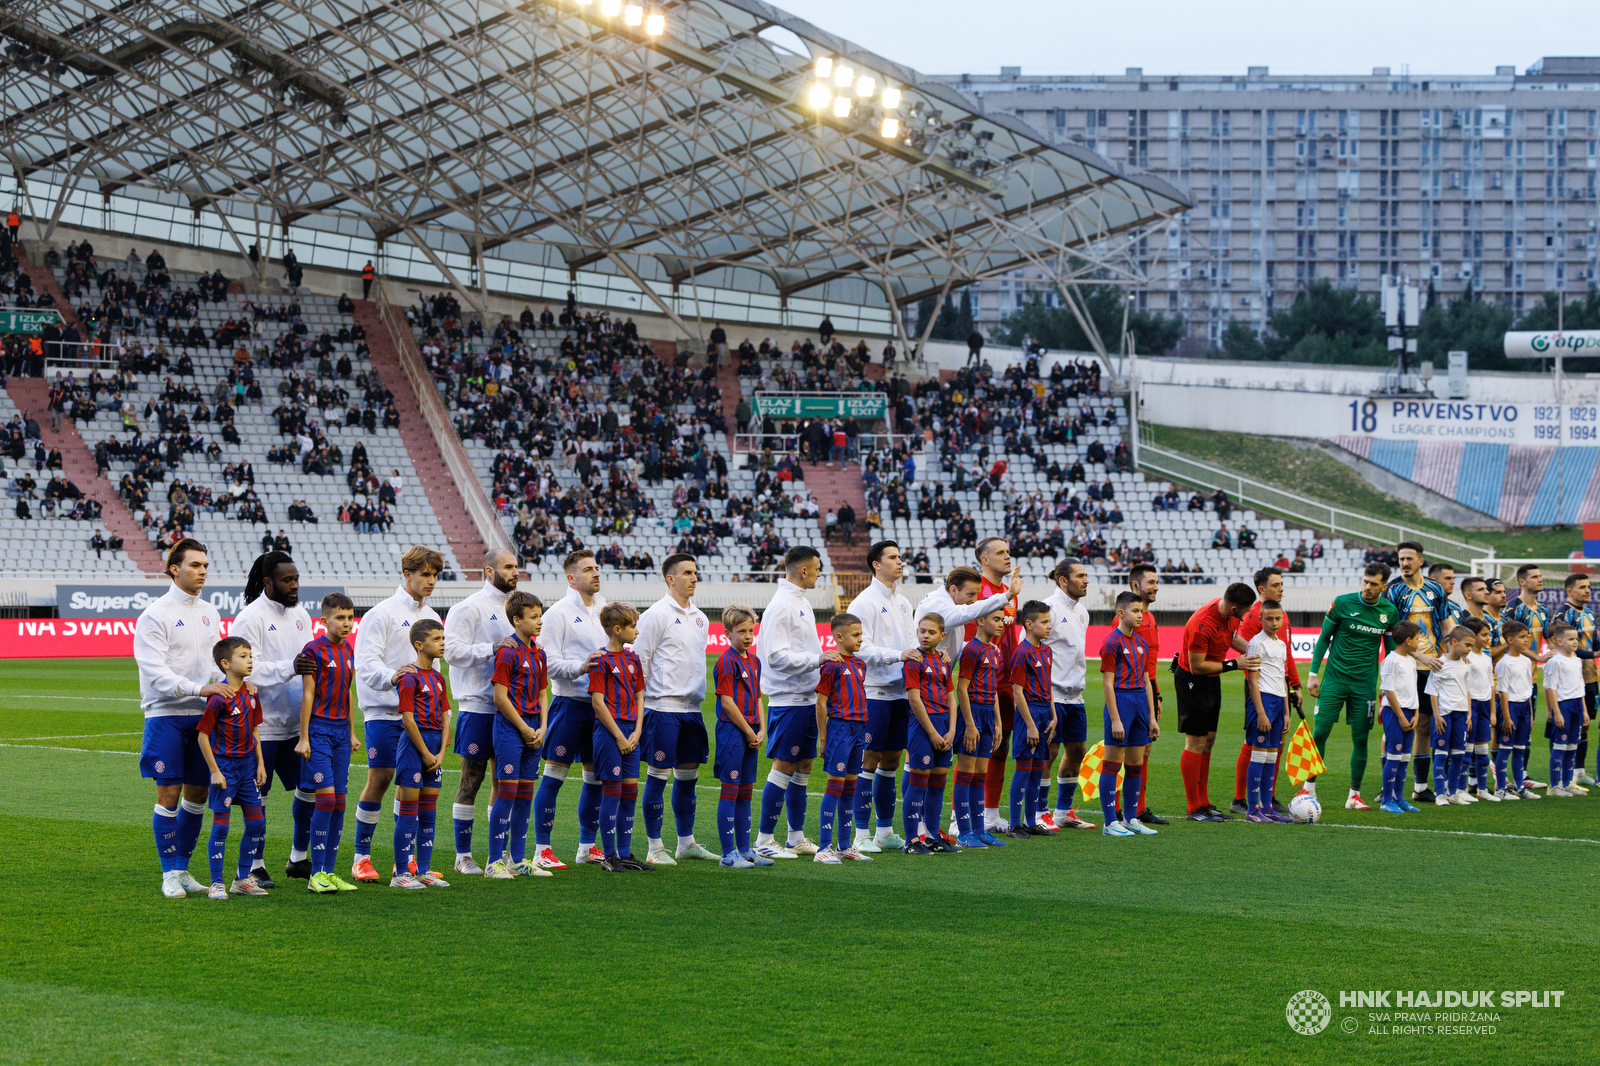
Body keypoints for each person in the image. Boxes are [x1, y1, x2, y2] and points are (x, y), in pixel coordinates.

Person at [134, 538, 231, 899]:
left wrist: (232, 683)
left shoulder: (210, 612)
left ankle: (183, 868)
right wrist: (198, 689)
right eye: (195, 565)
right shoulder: (155, 614)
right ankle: (167, 873)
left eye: (205, 565)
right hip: (166, 714)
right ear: (175, 569)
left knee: (199, 793)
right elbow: (155, 672)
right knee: (169, 792)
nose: (202, 571)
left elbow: (215, 664)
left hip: (201, 715)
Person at [346, 545, 443, 883]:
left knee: (410, 786)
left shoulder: (430, 616)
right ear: (407, 574)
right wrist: (392, 677)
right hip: (385, 712)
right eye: (425, 574)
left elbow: (435, 666)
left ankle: (408, 859)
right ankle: (361, 856)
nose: (431, 581)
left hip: (420, 718)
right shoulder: (381, 614)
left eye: (435, 575)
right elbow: (366, 664)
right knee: (382, 778)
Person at [228, 551, 313, 887]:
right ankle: (255, 865)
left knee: (309, 790)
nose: (294, 586)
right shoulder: (250, 618)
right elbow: (246, 668)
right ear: (268, 582)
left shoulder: (302, 615)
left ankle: (298, 858)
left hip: (298, 725)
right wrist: (289, 667)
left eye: (296, 580)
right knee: (257, 798)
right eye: (287, 580)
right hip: (262, 726)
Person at [754, 546, 841, 859]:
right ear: (803, 570)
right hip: (788, 698)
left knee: (803, 766)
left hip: (805, 697)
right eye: (817, 568)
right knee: (785, 765)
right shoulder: (781, 606)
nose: (819, 573)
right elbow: (776, 657)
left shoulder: (798, 601)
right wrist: (817, 659)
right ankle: (764, 839)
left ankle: (795, 837)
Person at [441, 549, 520, 875]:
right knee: (471, 778)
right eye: (508, 567)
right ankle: (462, 856)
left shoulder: (515, 608)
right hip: (477, 705)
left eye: (516, 566)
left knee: (504, 781)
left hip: (511, 708)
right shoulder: (468, 607)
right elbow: (452, 652)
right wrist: (492, 647)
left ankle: (497, 854)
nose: (515, 572)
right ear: (489, 570)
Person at [633, 553, 716, 866]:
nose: (694, 578)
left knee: (688, 778)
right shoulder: (655, 615)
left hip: (692, 710)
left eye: (695, 572)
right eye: (687, 573)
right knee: (658, 777)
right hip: (662, 708)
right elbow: (639, 662)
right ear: (670, 578)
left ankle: (686, 843)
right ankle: (655, 847)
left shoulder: (700, 618)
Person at [845, 540, 925, 854]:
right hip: (874, 692)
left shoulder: (904, 602)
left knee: (892, 760)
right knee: (869, 759)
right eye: (892, 557)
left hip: (900, 693)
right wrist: (897, 656)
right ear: (876, 564)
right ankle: (861, 833)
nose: (899, 561)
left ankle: (884, 830)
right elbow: (859, 648)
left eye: (900, 556)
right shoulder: (863, 602)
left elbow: (911, 644)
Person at [532, 549, 609, 869]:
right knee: (553, 777)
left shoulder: (606, 609)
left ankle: (587, 846)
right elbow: (547, 662)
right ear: (571, 578)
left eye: (596, 568)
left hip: (600, 707)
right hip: (569, 704)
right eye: (588, 569)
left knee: (595, 781)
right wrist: (581, 667)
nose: (596, 573)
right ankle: (541, 849)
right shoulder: (558, 613)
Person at [1306, 564, 1401, 808]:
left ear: (1384, 586)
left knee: (1360, 739)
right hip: (1335, 681)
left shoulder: (1389, 612)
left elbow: (1391, 651)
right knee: (1320, 732)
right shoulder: (1342, 603)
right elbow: (1324, 638)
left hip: (1365, 686)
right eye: (1365, 581)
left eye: (1373, 583)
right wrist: (1313, 673)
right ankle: (1308, 789)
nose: (1367, 587)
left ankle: (1354, 796)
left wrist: (1391, 685)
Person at [1173, 583, 1261, 822]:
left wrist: (1260, 651)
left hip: (1212, 678)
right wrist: (1235, 664)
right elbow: (1196, 666)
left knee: (1209, 740)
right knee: (1195, 741)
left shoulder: (1230, 617)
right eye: (1244, 611)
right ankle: (1194, 808)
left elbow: (1234, 640)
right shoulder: (1201, 624)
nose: (1246, 615)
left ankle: (1204, 803)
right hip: (1192, 680)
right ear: (1233, 607)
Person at [195, 636, 269, 899]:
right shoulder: (219, 696)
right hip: (225, 768)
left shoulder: (251, 693)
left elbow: (255, 730)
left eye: (251, 656)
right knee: (221, 827)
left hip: (248, 767)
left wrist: (260, 763)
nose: (250, 660)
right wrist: (215, 770)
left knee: (256, 823)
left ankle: (242, 878)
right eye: (243, 656)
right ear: (226, 663)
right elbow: (203, 736)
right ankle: (216, 882)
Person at [296, 592, 360, 893]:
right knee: (327, 798)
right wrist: (304, 736)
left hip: (340, 734)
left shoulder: (348, 650)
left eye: (349, 618)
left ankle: (329, 872)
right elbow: (307, 695)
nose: (346, 623)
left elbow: (347, 692)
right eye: (340, 618)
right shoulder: (314, 651)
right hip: (319, 731)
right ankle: (316, 874)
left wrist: (351, 731)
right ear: (324, 621)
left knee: (341, 802)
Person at [487, 591, 550, 878]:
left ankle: (518, 859)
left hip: (534, 729)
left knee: (525, 796)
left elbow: (542, 693)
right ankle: (493, 862)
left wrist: (543, 726)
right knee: (507, 792)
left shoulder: (539, 652)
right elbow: (500, 697)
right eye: (534, 617)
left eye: (540, 615)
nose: (540, 621)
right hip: (511, 729)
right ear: (517, 620)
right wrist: (524, 728)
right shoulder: (508, 650)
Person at [1229, 567, 1300, 817]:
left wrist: (1294, 690)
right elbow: (1250, 668)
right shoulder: (1253, 624)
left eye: (1282, 584)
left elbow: (1284, 665)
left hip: (1279, 697)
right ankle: (1247, 803)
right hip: (1261, 695)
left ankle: (1267, 805)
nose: (1282, 588)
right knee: (1256, 749)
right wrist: (1260, 709)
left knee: (1273, 751)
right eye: (1276, 584)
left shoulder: (1279, 635)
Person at [961, 538, 1020, 834]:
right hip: (980, 682)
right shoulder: (977, 590)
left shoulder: (1011, 594)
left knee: (1000, 746)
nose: (1007, 556)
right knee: (969, 748)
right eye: (1000, 552)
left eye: (1008, 552)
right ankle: (957, 818)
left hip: (1005, 680)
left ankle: (991, 814)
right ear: (984, 559)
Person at [1385, 543, 1452, 803]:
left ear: (1420, 560)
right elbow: (1391, 631)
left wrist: (1450, 649)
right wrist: (1416, 655)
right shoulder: (1393, 590)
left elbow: (1445, 621)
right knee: (1393, 727)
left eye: (1409, 558)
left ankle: (1420, 787)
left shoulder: (1435, 588)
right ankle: (1387, 785)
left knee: (1424, 726)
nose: (1404, 563)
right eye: (1401, 559)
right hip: (1406, 666)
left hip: (1432, 666)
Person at [391, 619, 451, 888]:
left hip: (434, 748)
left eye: (443, 638)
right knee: (409, 812)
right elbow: (407, 719)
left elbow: (446, 717)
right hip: (414, 748)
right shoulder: (408, 677)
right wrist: (426, 753)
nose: (442, 643)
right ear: (419, 645)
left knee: (428, 813)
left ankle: (423, 871)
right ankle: (401, 873)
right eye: (437, 639)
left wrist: (440, 752)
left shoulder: (439, 678)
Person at [589, 602, 648, 872]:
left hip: (631, 734)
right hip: (609, 733)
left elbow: (639, 696)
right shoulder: (600, 661)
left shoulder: (633, 659)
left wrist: (636, 731)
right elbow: (598, 704)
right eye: (632, 626)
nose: (636, 630)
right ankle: (610, 855)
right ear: (617, 629)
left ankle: (624, 853)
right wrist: (620, 736)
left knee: (630, 792)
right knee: (611, 793)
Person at [711, 605, 771, 868]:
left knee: (746, 792)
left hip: (751, 733)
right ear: (727, 633)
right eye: (741, 631)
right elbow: (726, 702)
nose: (748, 636)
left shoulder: (754, 661)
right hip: (733, 733)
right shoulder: (726, 661)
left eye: (751, 630)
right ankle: (728, 854)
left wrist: (762, 729)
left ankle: (746, 849)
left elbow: (757, 696)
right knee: (730, 791)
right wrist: (749, 731)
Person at [813, 613, 873, 864]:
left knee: (851, 786)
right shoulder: (832, 664)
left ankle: (844, 845)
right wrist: (824, 738)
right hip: (839, 729)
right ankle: (823, 847)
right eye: (856, 635)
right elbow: (821, 701)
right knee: (835, 786)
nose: (861, 639)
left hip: (858, 729)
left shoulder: (860, 664)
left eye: (860, 634)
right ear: (839, 637)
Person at [1099, 592, 1159, 837]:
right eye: (1135, 611)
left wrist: (1152, 717)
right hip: (1122, 702)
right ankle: (1109, 822)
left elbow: (1146, 681)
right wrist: (1115, 718)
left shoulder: (1141, 643)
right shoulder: (1112, 642)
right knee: (1112, 764)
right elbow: (1107, 683)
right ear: (1121, 613)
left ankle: (1131, 818)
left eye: (1142, 612)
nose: (1140, 616)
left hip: (1140, 705)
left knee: (1135, 764)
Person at [1043, 559, 1096, 830]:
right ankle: (1041, 812)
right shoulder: (1048, 609)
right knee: (1049, 752)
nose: (1086, 580)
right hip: (1051, 693)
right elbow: (1027, 646)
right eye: (1080, 576)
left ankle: (1063, 812)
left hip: (1075, 695)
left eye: (1086, 575)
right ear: (1063, 580)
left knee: (1077, 750)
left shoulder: (1082, 612)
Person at [902, 613, 957, 854]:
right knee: (918, 781)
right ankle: (912, 840)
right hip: (923, 727)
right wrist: (934, 733)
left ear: (942, 636)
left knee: (938, 784)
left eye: (931, 632)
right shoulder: (913, 660)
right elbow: (914, 700)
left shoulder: (944, 661)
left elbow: (951, 697)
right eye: (922, 631)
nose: (926, 635)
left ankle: (932, 837)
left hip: (944, 726)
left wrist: (952, 730)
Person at [954, 608, 1008, 849]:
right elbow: (961, 688)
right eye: (996, 619)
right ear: (980, 620)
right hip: (973, 712)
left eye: (1001, 619)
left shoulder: (993, 651)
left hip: (988, 714)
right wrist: (969, 724)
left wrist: (998, 723)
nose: (1001, 624)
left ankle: (979, 829)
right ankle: (964, 832)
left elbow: (993, 689)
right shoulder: (972, 649)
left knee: (980, 776)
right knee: (966, 773)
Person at [1005, 600, 1057, 837]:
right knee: (1024, 768)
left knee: (1038, 769)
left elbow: (1049, 686)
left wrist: (1054, 716)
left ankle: (1031, 822)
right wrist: (1030, 725)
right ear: (1028, 624)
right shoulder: (1022, 652)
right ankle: (1014, 825)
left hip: (1045, 712)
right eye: (1044, 622)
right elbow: (1017, 691)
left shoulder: (1046, 651)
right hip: (1030, 713)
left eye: (1049, 621)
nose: (1049, 626)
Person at [1242, 600, 1292, 823]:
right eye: (1269, 618)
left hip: (1279, 702)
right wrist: (1261, 713)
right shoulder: (1256, 644)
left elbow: (1282, 678)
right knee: (1259, 754)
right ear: (1260, 619)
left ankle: (1268, 806)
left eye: (1278, 618)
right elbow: (1253, 682)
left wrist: (1287, 712)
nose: (1274, 623)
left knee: (1272, 756)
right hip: (1262, 701)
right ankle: (1252, 810)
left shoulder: (1281, 644)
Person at [1126, 562, 1168, 827]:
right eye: (1150, 582)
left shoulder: (1149, 617)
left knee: (1145, 750)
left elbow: (1149, 665)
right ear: (1135, 586)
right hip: (1130, 692)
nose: (1155, 587)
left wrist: (1157, 697)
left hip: (1147, 689)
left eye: (1156, 582)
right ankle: (1122, 809)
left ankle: (1138, 808)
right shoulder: (1129, 618)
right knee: (1128, 752)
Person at [1376, 621, 1423, 814]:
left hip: (1410, 713)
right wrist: (1402, 716)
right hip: (1396, 714)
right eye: (1418, 638)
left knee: (1404, 758)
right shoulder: (1391, 660)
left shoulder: (1411, 660)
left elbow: (1413, 690)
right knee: (1394, 757)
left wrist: (1416, 713)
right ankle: (1386, 800)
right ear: (1408, 640)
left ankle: (1399, 798)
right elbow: (1388, 690)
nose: (1420, 641)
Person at [1424, 626, 1474, 807]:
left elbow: (1468, 689)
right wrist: (1436, 716)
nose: (1470, 649)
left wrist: (1469, 713)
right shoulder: (1439, 664)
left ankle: (1452, 793)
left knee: (1459, 755)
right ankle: (1440, 794)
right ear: (1454, 642)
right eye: (1467, 645)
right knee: (1441, 754)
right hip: (1444, 715)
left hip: (1461, 715)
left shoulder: (1467, 664)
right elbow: (1433, 692)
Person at [1555, 573, 1597, 789]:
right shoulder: (1563, 614)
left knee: (1585, 724)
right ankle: (1563, 774)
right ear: (1569, 591)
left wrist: (1595, 653)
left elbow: (1595, 642)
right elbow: (1561, 645)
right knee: (1567, 725)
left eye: (1588, 586)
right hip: (1569, 679)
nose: (1587, 590)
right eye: (1582, 587)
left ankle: (1579, 771)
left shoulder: (1590, 613)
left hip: (1589, 677)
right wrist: (1594, 655)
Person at [1543, 622, 1588, 796]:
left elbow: (1580, 687)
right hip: (1564, 706)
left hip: (1577, 705)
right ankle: (1554, 786)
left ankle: (1568, 782)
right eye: (1571, 639)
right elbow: (1551, 688)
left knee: (1572, 746)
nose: (1575, 642)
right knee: (1560, 746)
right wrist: (1556, 712)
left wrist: (1584, 710)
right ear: (1559, 641)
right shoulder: (1555, 662)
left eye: (1576, 639)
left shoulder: (1577, 660)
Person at [1494, 621, 1537, 799]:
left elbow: (1528, 690)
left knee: (1520, 748)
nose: (1526, 639)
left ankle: (1520, 786)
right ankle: (1501, 788)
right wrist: (1506, 717)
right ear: (1510, 640)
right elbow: (1502, 691)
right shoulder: (1504, 663)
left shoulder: (1527, 661)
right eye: (1522, 637)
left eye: (1527, 636)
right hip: (1510, 708)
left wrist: (1531, 715)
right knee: (1506, 748)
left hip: (1524, 708)